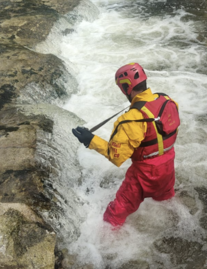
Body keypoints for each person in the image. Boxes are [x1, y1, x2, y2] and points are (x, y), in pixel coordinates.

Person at [72, 63, 180, 227]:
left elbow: (116, 156)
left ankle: (108, 249)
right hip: (168, 166)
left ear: (125, 88)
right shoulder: (168, 100)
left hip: (144, 174)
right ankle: (178, 220)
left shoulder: (131, 119)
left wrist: (90, 140)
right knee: (166, 199)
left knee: (114, 215)